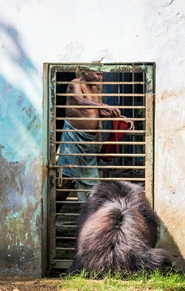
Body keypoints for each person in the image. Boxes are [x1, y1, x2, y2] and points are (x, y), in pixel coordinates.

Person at [55, 71, 134, 212]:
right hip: (73, 137)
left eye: (101, 74)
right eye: (97, 73)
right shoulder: (75, 83)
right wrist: (104, 105)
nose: (100, 77)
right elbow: (80, 101)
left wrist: (120, 117)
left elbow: (99, 111)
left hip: (89, 141)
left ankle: (91, 218)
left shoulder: (94, 88)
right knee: (67, 180)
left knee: (92, 183)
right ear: (85, 72)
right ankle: (51, 216)